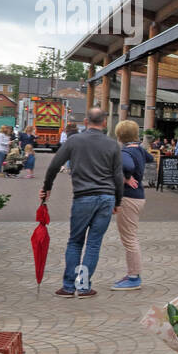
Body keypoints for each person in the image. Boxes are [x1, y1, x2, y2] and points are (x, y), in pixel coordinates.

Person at [40, 107, 124, 298]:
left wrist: (47, 188)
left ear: (86, 121)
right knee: (93, 244)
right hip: (107, 198)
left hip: (83, 197)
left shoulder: (74, 141)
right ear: (104, 122)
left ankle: (69, 287)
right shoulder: (112, 145)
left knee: (75, 242)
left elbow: (54, 165)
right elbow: (118, 176)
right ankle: (84, 286)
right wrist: (117, 201)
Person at [110, 120, 153, 291]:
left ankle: (134, 277)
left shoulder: (125, 152)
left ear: (120, 135)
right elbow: (149, 158)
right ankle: (132, 273)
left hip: (128, 198)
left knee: (129, 238)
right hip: (139, 197)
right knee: (130, 236)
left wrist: (126, 176)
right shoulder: (139, 149)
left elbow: (127, 165)